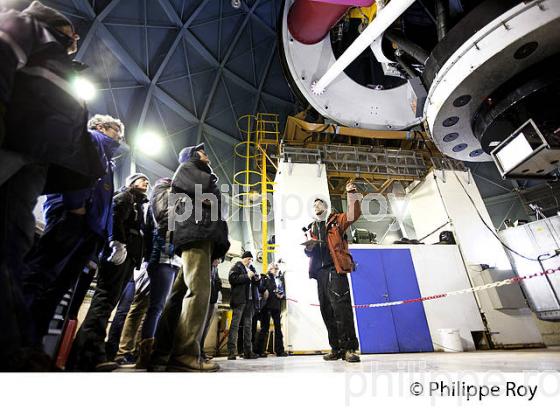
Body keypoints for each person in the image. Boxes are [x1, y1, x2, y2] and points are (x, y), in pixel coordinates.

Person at [0, 1, 105, 369]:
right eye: (72, 35)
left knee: (14, 243)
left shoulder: (60, 60)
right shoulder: (24, 26)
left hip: (34, 159)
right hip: (13, 147)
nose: (76, 40)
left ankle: (15, 350)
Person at [22, 114, 124, 349]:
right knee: (41, 278)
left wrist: (103, 237)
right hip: (72, 218)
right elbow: (76, 170)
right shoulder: (92, 140)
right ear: (100, 127)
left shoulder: (109, 162)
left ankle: (32, 345)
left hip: (88, 229)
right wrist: (75, 205)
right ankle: (17, 342)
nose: (119, 137)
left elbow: (106, 205)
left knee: (58, 289)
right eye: (115, 130)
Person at [149, 143, 229, 372]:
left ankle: (162, 352)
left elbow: (211, 204)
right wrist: (210, 198)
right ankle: (185, 353)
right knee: (199, 292)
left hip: (197, 233)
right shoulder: (189, 168)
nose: (207, 154)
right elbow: (212, 202)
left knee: (178, 295)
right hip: (197, 233)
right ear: (194, 155)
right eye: (203, 151)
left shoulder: (195, 173)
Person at [68, 173, 150, 371]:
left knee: (108, 302)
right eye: (142, 180)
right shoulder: (125, 197)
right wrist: (117, 241)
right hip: (117, 255)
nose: (146, 182)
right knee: (104, 300)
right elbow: (114, 215)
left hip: (127, 258)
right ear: (131, 183)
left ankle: (84, 351)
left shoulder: (137, 204)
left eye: (147, 180)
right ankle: (89, 353)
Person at [115, 178, 182, 369]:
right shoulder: (158, 202)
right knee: (151, 307)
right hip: (157, 259)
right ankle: (136, 354)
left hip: (166, 259)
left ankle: (142, 351)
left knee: (156, 308)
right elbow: (156, 229)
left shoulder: (157, 203)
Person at [304, 181, 362, 362]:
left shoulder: (336, 221)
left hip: (335, 270)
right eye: (314, 205)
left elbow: (354, 214)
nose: (316, 206)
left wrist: (351, 192)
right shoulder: (311, 227)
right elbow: (309, 252)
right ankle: (336, 348)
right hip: (320, 273)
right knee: (327, 310)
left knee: (341, 309)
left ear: (326, 206)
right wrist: (308, 247)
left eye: (319, 203)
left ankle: (350, 348)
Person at [227, 251, 262, 360]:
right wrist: (247, 276)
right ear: (245, 258)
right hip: (240, 300)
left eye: (251, 260)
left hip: (250, 301)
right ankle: (231, 352)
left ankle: (248, 352)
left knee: (248, 327)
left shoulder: (252, 268)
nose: (250, 262)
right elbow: (232, 279)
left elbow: (256, 285)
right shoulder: (237, 266)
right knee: (235, 326)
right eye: (249, 259)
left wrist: (257, 279)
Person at [255, 263, 287, 357]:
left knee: (278, 328)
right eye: (275, 269)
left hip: (276, 306)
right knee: (265, 328)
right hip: (267, 306)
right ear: (270, 269)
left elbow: (281, 291)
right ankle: (259, 350)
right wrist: (265, 291)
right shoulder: (264, 278)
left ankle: (280, 351)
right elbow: (260, 288)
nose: (276, 270)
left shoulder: (278, 280)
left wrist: (281, 295)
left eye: (277, 269)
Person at [200, 258, 222, 361]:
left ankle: (201, 350)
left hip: (212, 300)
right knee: (200, 326)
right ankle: (196, 352)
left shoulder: (215, 269)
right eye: (218, 259)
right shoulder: (205, 265)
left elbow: (217, 281)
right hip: (203, 299)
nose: (219, 262)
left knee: (206, 327)